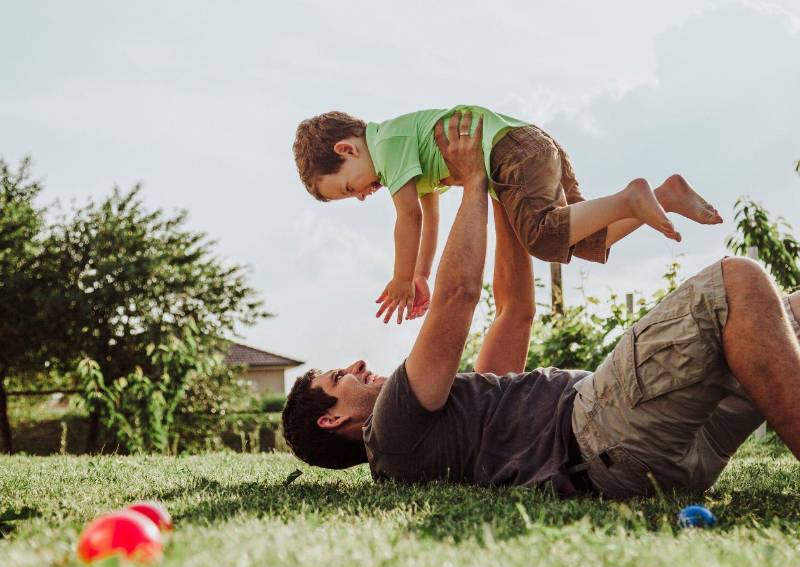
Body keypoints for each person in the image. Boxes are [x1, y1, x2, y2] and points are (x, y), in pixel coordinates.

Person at [282, 113, 800, 499]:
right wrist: (473, 181)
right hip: (609, 437)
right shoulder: (391, 426)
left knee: (790, 310)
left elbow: (513, 311)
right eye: (336, 378)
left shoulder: (448, 429)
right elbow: (458, 297)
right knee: (739, 281)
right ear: (332, 420)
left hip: (666, 449)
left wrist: (502, 195)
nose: (354, 366)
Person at [292, 106, 722, 324]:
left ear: (347, 150)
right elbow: (430, 215)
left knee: (540, 237)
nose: (363, 195)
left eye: (351, 186)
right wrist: (421, 274)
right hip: (532, 144)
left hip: (513, 152)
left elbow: (408, 219)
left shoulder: (387, 144)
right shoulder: (403, 155)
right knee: (581, 238)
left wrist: (402, 278)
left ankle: (631, 198)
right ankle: (665, 196)